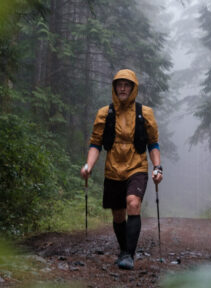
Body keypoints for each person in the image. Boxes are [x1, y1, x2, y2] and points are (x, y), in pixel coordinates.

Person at [80, 69, 163, 270]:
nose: (123, 88)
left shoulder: (145, 113)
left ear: (133, 88)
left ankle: (128, 255)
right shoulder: (104, 113)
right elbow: (95, 143)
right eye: (119, 84)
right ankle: (125, 250)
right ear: (115, 87)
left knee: (133, 203)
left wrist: (158, 167)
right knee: (118, 215)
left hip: (137, 167)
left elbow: (153, 144)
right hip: (113, 170)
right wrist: (88, 165)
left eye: (127, 85)